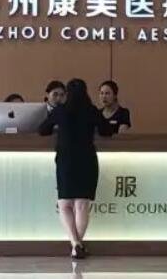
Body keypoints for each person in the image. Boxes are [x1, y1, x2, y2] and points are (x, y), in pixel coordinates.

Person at [39, 78, 113, 259]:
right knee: (82, 205)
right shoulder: (91, 110)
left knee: (64, 204)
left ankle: (75, 243)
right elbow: (106, 130)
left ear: (67, 94)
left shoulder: (60, 110)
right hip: (87, 160)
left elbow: (42, 130)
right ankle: (77, 245)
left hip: (66, 160)